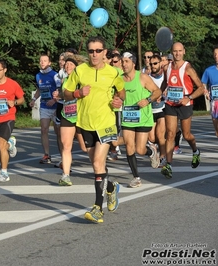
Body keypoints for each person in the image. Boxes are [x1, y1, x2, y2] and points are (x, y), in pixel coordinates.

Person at [63, 36, 125, 223]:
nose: (95, 54)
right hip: (85, 124)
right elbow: (66, 94)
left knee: (99, 163)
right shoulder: (80, 71)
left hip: (106, 124)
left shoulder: (113, 72)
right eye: (91, 51)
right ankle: (111, 188)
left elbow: (121, 92)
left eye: (98, 51)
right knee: (96, 165)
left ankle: (98, 207)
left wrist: (119, 100)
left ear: (105, 52)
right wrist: (77, 93)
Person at [113, 52, 162, 188]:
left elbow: (157, 92)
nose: (124, 64)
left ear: (133, 63)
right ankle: (136, 177)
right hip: (128, 118)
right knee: (129, 146)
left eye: (126, 61)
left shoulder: (143, 77)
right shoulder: (120, 80)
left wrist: (147, 100)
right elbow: (117, 95)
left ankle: (151, 151)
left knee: (140, 150)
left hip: (143, 118)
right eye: (122, 61)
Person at [160, 42, 204, 178]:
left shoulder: (188, 67)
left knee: (187, 135)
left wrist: (188, 97)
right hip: (170, 104)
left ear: (184, 51)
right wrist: (159, 93)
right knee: (170, 134)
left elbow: (201, 88)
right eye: (175, 51)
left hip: (185, 104)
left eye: (180, 51)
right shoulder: (167, 67)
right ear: (172, 52)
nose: (177, 53)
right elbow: (165, 82)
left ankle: (195, 151)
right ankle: (169, 165)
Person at [0, 58, 25, 182]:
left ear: (5, 70)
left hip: (8, 118)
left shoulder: (12, 84)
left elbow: (22, 99)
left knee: (1, 144)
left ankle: (4, 173)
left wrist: (15, 102)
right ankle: (10, 144)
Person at [53, 54, 88, 186]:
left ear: (76, 67)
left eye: (71, 64)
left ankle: (100, 167)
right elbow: (65, 94)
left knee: (85, 148)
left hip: (80, 116)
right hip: (67, 115)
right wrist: (58, 95)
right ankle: (66, 176)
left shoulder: (81, 79)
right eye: (66, 64)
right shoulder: (65, 80)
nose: (67, 66)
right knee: (66, 145)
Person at [29, 54, 62, 164]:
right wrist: (34, 99)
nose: (42, 62)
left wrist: (54, 100)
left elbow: (60, 90)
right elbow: (39, 89)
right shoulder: (38, 75)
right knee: (44, 129)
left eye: (45, 61)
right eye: (41, 61)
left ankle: (63, 156)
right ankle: (47, 155)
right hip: (44, 106)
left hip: (56, 106)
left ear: (49, 63)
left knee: (58, 132)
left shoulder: (55, 75)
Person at [148, 54, 167, 167]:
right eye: (151, 64)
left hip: (162, 109)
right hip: (151, 110)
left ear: (160, 63)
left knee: (160, 136)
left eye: (155, 63)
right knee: (152, 138)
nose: (153, 66)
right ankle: (155, 152)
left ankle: (163, 157)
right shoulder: (147, 78)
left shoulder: (166, 77)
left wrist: (165, 94)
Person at [201, 44, 218, 137]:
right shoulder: (208, 71)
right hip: (215, 102)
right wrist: (206, 92)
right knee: (217, 127)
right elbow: (203, 84)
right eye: (215, 54)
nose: (216, 56)